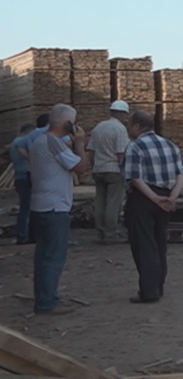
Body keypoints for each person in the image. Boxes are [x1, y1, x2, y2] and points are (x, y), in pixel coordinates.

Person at [28, 104, 90, 315]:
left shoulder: (39, 140)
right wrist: (80, 144)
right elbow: (81, 168)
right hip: (55, 207)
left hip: (40, 205)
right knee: (54, 256)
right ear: (68, 123)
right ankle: (47, 302)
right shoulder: (53, 143)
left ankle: (44, 297)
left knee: (43, 256)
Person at [122, 110, 183, 303]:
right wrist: (172, 197)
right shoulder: (170, 145)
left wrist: (154, 197)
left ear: (137, 126)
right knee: (159, 244)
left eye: (129, 125)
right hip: (165, 196)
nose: (127, 128)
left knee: (144, 244)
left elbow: (134, 178)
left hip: (144, 198)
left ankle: (149, 291)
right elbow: (181, 174)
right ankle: (158, 286)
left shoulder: (135, 146)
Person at [86, 100, 131, 243]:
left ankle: (100, 232)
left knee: (100, 201)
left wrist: (94, 166)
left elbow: (91, 150)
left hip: (99, 169)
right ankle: (111, 233)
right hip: (114, 170)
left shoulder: (99, 127)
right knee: (113, 202)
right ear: (123, 114)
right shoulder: (120, 129)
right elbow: (121, 153)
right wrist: (126, 172)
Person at [8, 114, 47, 244]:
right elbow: (30, 156)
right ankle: (24, 235)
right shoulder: (19, 142)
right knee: (27, 208)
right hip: (24, 177)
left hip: (20, 177)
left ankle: (26, 234)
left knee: (27, 207)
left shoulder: (15, 143)